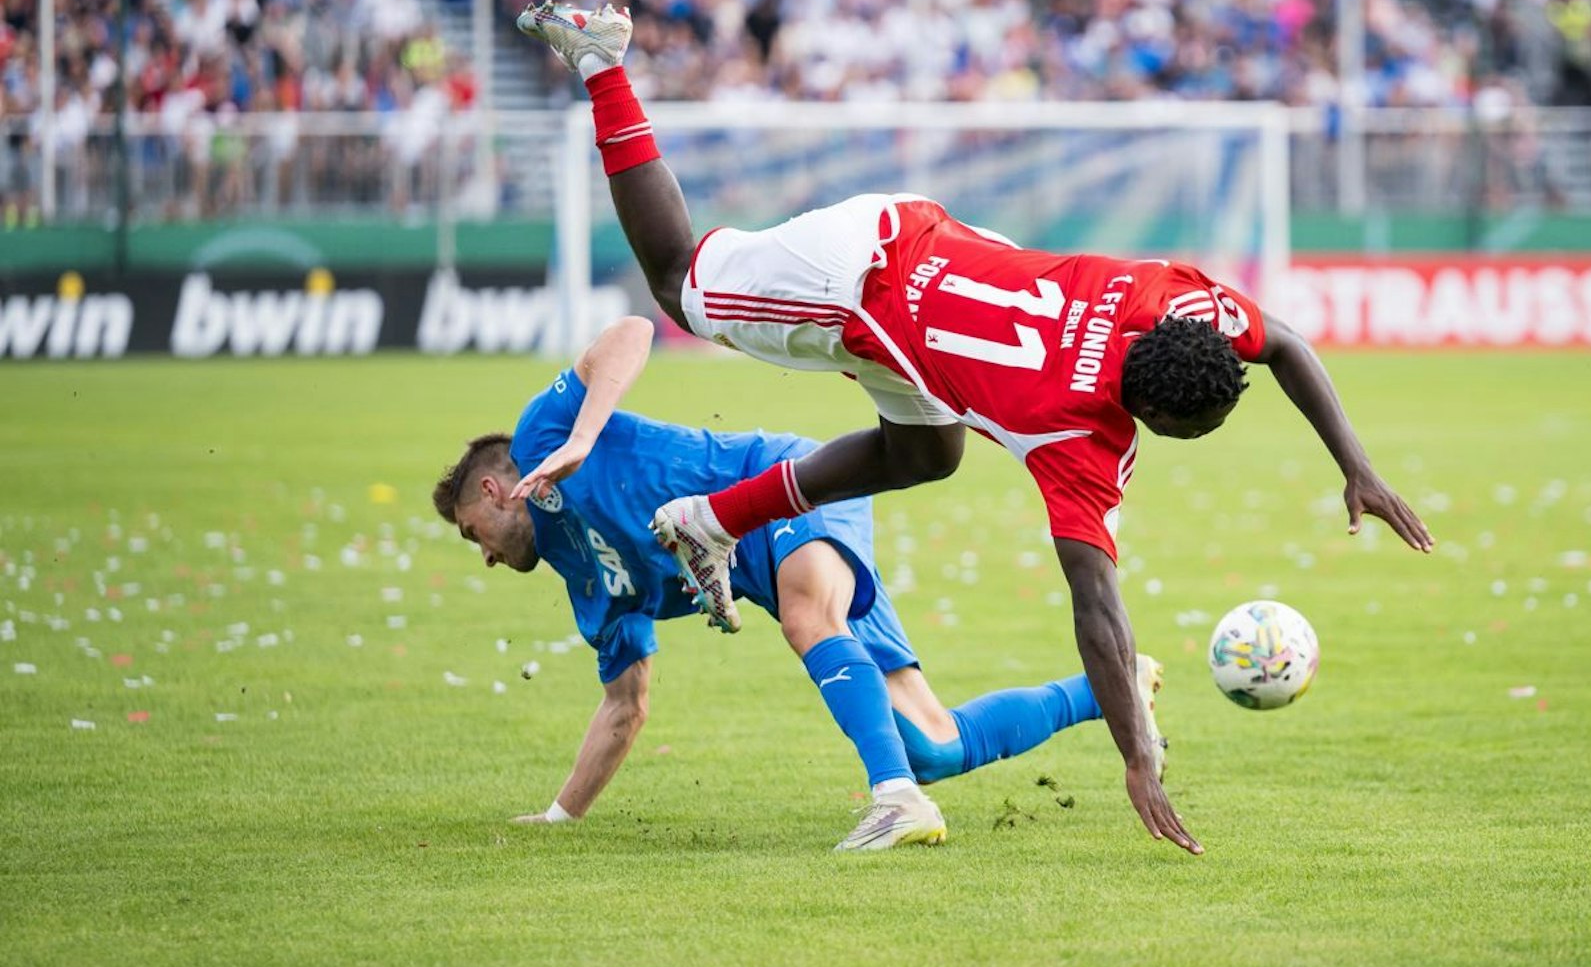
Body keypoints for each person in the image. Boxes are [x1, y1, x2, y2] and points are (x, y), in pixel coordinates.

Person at [516, 0, 1433, 858]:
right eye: (1186, 431)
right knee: (677, 282)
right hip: (857, 282)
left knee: (927, 450)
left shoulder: (1176, 301)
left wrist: (1359, 469)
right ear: (1147, 411)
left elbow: (1288, 346)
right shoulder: (1075, 438)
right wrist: (1134, 757)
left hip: (921, 249)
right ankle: (604, 64)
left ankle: (712, 520)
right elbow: (1098, 614)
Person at [433, 314, 1159, 852]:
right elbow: (625, 706)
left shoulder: (540, 441)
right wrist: (561, 817)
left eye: (474, 533)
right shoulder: (590, 587)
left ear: (498, 491)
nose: (487, 557)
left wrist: (584, 437)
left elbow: (627, 332)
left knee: (809, 618)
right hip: (774, 560)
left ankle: (894, 801)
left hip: (787, 484)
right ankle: (1111, 689)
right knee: (936, 744)